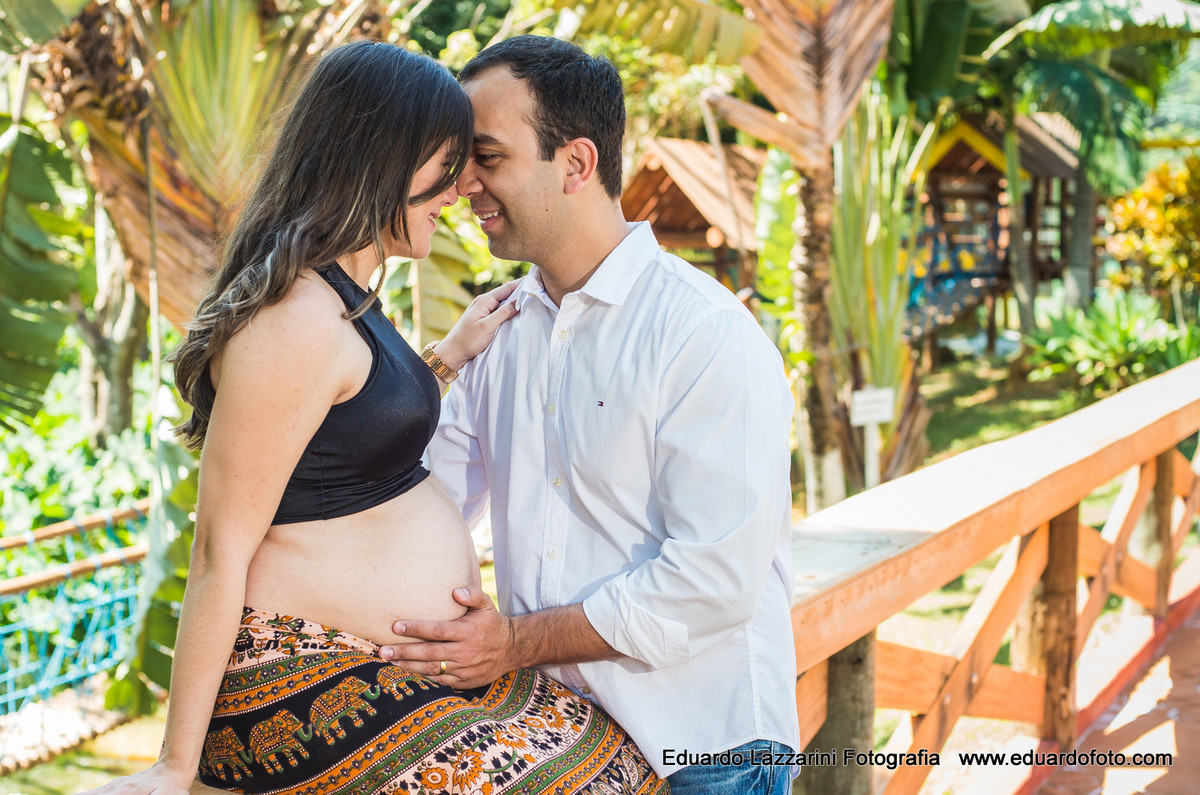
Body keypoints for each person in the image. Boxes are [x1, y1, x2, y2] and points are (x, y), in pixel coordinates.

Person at [83, 40, 666, 795]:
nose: (459, 190)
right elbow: (218, 550)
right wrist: (174, 764)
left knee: (618, 760)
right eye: (445, 165)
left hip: (386, 668)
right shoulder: (294, 318)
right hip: (299, 677)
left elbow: (342, 429)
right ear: (381, 159)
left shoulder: (343, 299)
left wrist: (446, 357)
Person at [378, 35, 801, 795]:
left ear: (575, 164)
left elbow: (711, 580)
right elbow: (422, 500)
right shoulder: (498, 333)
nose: (463, 184)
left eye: (487, 157)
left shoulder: (703, 333)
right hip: (562, 739)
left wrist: (512, 641)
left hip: (705, 752)